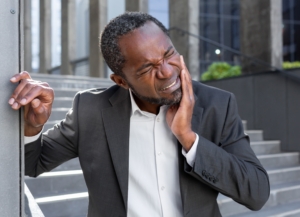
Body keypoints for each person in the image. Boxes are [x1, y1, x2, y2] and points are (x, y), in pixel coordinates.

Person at [9, 12, 269, 216]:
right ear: (121, 81)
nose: (167, 72)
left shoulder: (217, 105)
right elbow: (32, 163)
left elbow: (256, 193)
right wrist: (33, 126)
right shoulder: (90, 110)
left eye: (169, 55)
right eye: (148, 68)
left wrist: (189, 139)